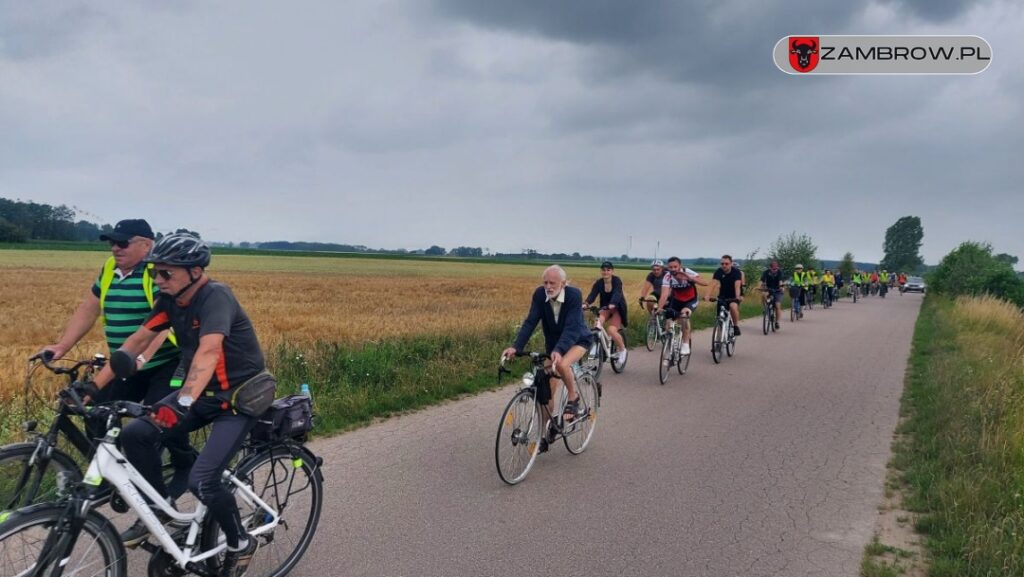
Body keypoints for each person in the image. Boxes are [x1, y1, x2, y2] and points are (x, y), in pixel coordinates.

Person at [87, 233, 265, 576]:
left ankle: (240, 542)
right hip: (202, 392)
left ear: (195, 272)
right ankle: (162, 508)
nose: (157, 280)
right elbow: (137, 340)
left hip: (238, 396)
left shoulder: (216, 297)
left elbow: (209, 351)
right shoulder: (171, 301)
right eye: (155, 273)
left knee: (203, 481)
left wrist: (182, 402)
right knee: (136, 434)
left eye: (166, 274)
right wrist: (92, 388)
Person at [37, 219, 192, 498]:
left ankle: (182, 468)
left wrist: (141, 357)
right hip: (125, 361)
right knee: (93, 407)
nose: (115, 248)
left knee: (160, 421)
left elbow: (163, 322)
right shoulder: (110, 269)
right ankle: (115, 475)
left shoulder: (158, 273)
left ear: (146, 244)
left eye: (123, 242)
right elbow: (89, 308)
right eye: (111, 242)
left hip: (165, 361)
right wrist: (61, 346)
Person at [503, 265, 592, 448]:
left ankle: (573, 399)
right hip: (553, 345)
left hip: (577, 339)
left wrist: (559, 350)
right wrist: (516, 347)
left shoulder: (574, 295)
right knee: (546, 389)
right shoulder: (539, 295)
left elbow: (572, 327)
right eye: (545, 283)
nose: (548, 287)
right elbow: (531, 321)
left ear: (563, 284)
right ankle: (545, 431)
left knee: (562, 365)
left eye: (552, 283)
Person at [655, 257, 707, 357]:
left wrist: (688, 278)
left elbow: (705, 283)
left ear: (680, 266)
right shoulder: (667, 276)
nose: (673, 269)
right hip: (677, 301)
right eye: (670, 267)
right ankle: (671, 347)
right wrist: (659, 308)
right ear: (668, 268)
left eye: (675, 267)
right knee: (669, 323)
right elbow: (664, 294)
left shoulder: (687, 272)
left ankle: (685, 344)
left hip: (690, 300)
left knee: (684, 316)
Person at [585, 261, 628, 365]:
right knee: (597, 325)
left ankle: (622, 350)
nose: (606, 272)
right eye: (603, 270)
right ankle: (597, 346)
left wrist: (613, 303)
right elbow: (592, 294)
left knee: (611, 330)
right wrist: (586, 303)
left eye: (608, 270)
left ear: (612, 271)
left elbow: (617, 293)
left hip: (617, 308)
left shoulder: (617, 281)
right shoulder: (599, 283)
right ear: (601, 271)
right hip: (605, 308)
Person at [707, 255, 744, 335]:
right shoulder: (719, 271)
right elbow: (713, 284)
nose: (724, 265)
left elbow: (737, 286)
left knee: (732, 306)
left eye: (726, 264)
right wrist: (707, 295)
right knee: (719, 319)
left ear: (731, 264)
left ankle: (735, 327)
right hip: (723, 295)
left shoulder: (736, 272)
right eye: (722, 263)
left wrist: (737, 297)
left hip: (734, 295)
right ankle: (717, 344)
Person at [758, 260, 785, 330]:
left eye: (776, 268)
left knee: (777, 305)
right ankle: (766, 308)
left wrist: (781, 287)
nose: (774, 270)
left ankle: (777, 322)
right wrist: (758, 287)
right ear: (770, 268)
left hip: (777, 290)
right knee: (763, 294)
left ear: (778, 267)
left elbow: (780, 281)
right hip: (769, 289)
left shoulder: (780, 272)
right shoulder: (766, 272)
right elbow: (761, 280)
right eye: (773, 269)